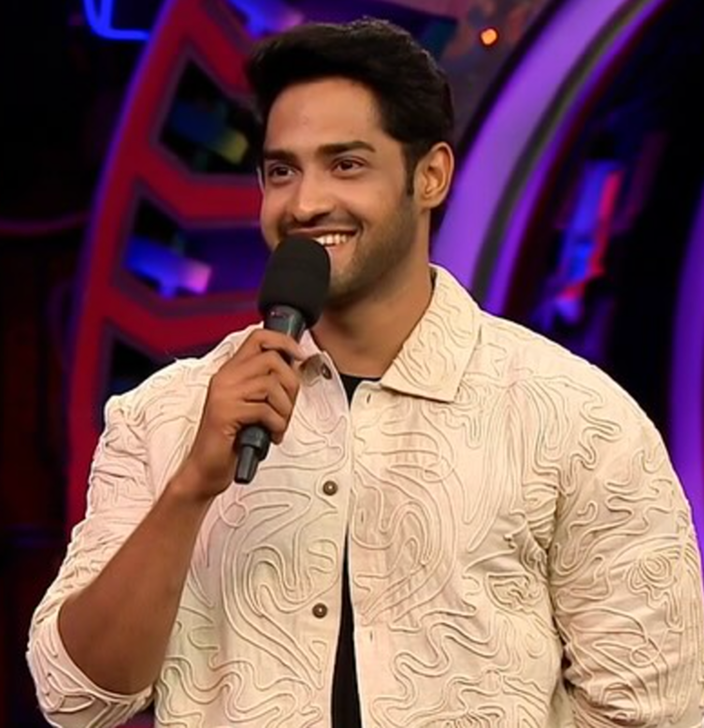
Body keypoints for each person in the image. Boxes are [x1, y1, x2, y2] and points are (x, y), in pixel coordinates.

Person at [27, 17, 704, 728]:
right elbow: (76, 700)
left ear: (430, 176)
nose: (306, 203)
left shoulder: (576, 419)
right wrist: (191, 487)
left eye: (345, 164)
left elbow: (654, 711)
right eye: (282, 171)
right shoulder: (164, 416)